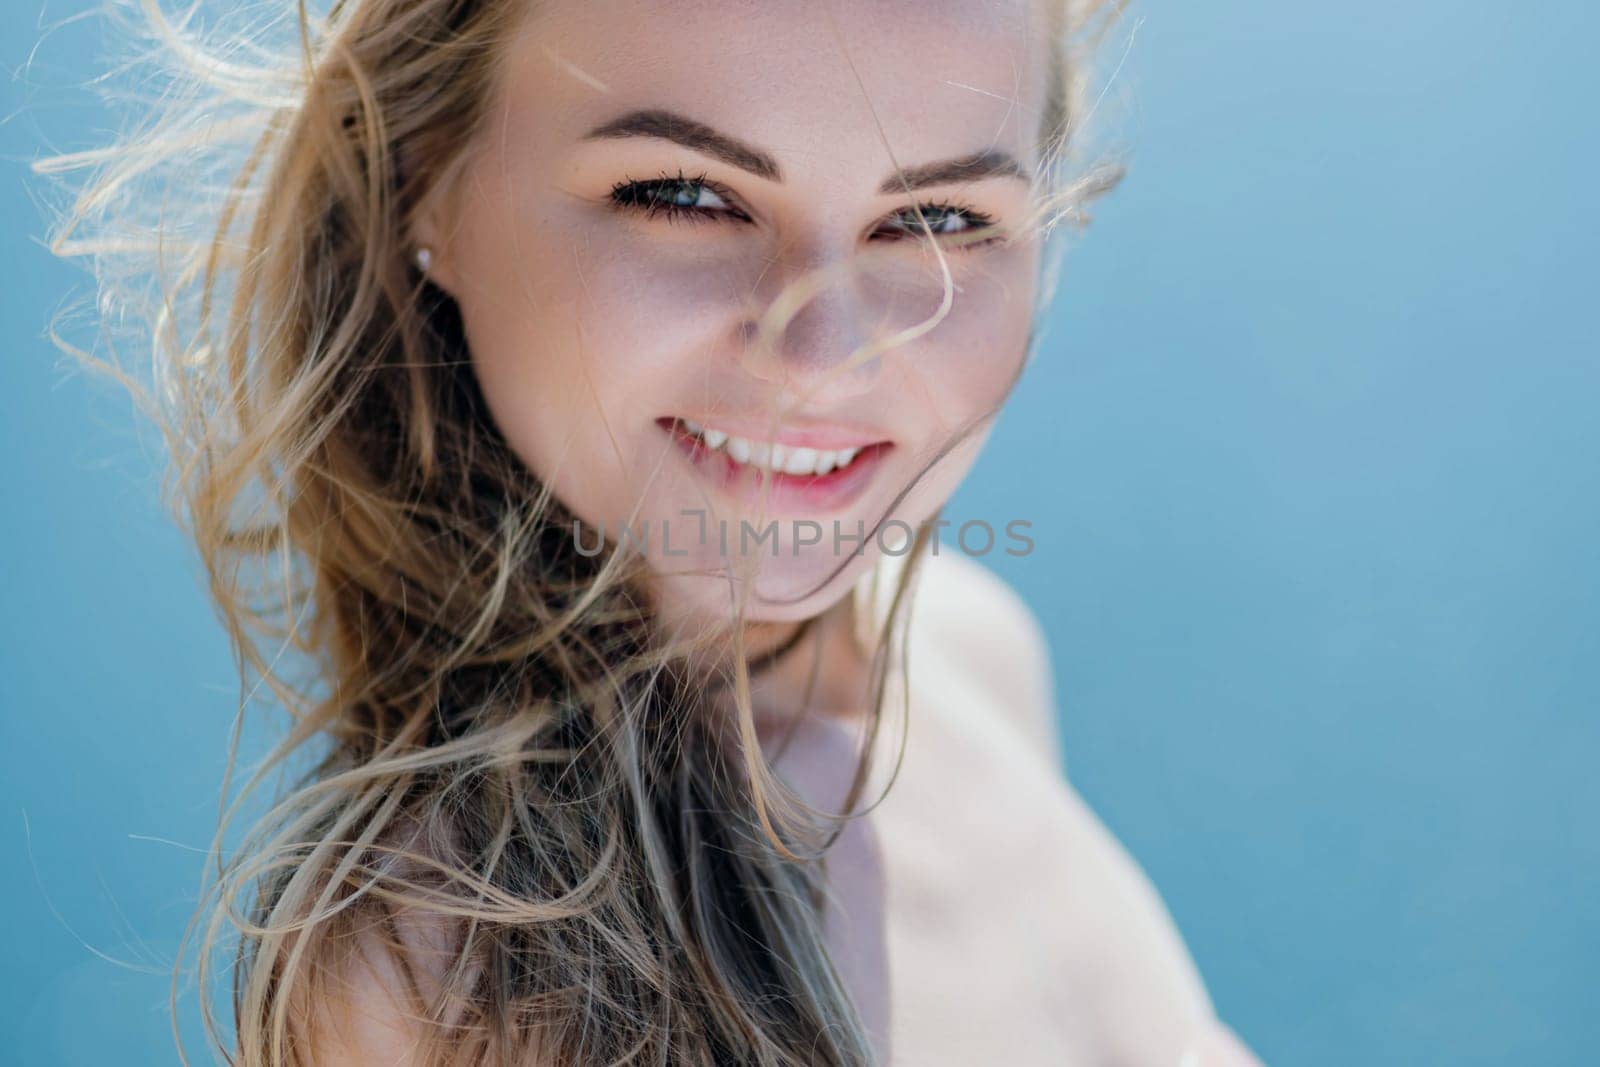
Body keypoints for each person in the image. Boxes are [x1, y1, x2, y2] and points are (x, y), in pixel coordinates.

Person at [38, 0, 1267, 1062]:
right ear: (428, 183)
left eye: (938, 218)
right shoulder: (439, 976)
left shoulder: (970, 652)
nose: (823, 359)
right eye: (684, 195)